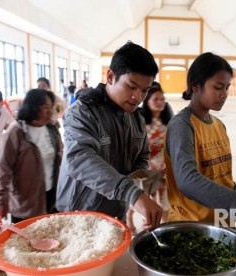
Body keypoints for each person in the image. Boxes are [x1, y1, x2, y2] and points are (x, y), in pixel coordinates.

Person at [56, 41, 163, 230]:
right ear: (111, 76)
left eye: (145, 91)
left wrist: (141, 181)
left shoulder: (136, 117)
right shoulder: (82, 113)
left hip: (114, 215)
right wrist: (131, 193)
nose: (137, 97)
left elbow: (142, 155)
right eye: (131, 86)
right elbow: (79, 159)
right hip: (78, 217)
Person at [164, 52, 236, 223]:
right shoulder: (182, 125)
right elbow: (187, 180)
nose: (225, 94)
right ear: (196, 86)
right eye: (218, 87)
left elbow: (221, 176)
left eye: (227, 87)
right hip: (192, 227)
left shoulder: (219, 126)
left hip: (222, 223)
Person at [0, 89, 63, 224]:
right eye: (45, 108)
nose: (50, 112)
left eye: (51, 108)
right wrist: (2, 200)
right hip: (26, 201)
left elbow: (61, 158)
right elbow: (3, 169)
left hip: (51, 196)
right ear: (32, 108)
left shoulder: (52, 130)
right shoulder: (15, 133)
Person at [126, 83, 174, 233]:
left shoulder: (168, 122)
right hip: (145, 172)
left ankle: (165, 230)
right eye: (156, 99)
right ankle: (130, 219)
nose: (160, 102)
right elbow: (134, 149)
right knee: (143, 200)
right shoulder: (140, 123)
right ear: (147, 101)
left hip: (164, 170)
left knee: (165, 202)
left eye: (162, 99)